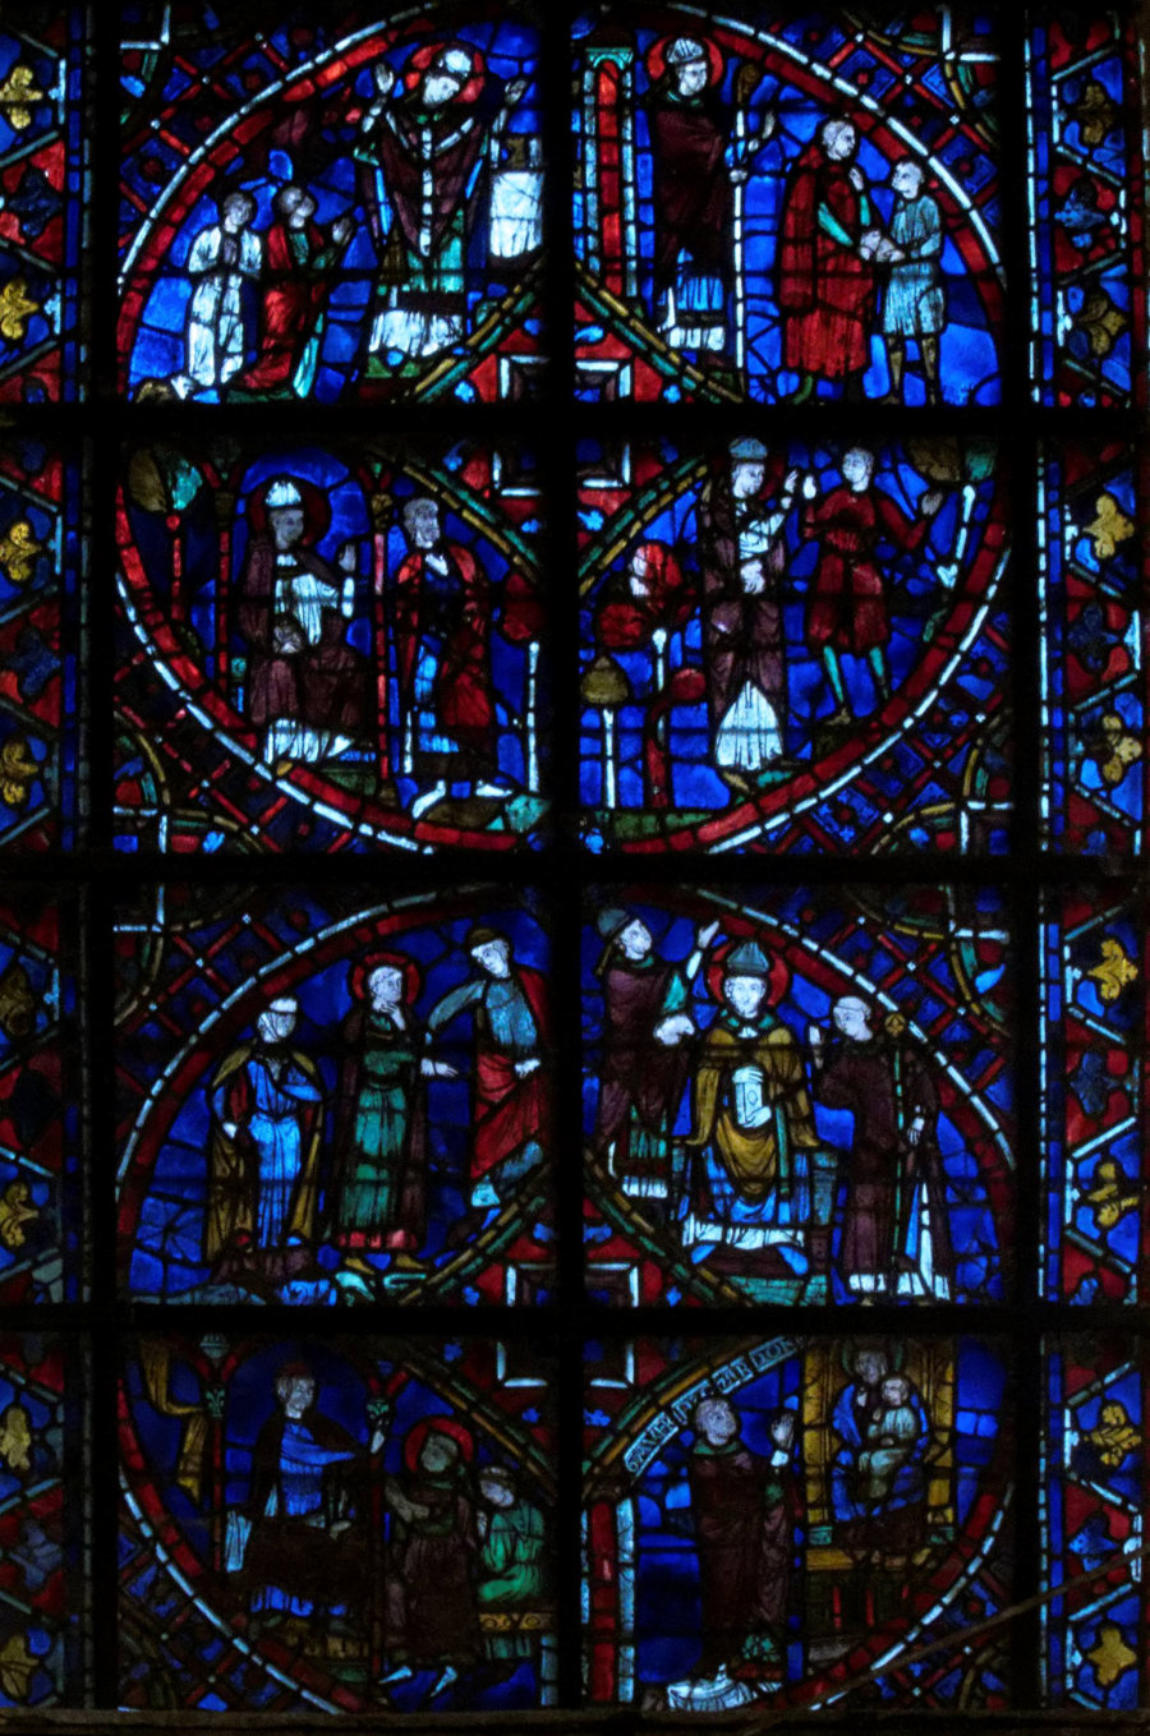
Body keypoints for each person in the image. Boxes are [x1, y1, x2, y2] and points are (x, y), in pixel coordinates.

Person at [356, 42, 528, 366]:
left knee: (447, 283)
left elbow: (488, 144)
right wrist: (381, 98)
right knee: (399, 281)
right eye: (444, 72)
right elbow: (363, 142)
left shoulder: (463, 126)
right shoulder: (395, 117)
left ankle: (441, 353)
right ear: (427, 71)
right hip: (402, 214)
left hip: (450, 221)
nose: (448, 83)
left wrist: (506, 107)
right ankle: (392, 352)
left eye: (458, 78)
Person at [681, 940, 819, 1270]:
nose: (745, 996)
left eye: (753, 988)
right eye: (738, 988)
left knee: (790, 1154)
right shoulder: (717, 1036)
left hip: (773, 1130)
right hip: (725, 1128)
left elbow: (796, 1089)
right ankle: (720, 1230)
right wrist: (725, 1090)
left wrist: (772, 1106)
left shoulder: (780, 1036)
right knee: (709, 1148)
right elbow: (703, 1088)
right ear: (726, 991)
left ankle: (780, 1236)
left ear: (765, 992)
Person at [810, 995, 953, 1300]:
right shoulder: (847, 1057)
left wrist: (918, 1121)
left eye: (847, 1016)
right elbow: (828, 1093)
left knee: (913, 1217)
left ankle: (917, 1286)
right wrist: (818, 1055)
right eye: (837, 1018)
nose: (840, 1023)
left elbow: (923, 1085)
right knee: (867, 1219)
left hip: (909, 1149)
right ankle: (870, 1289)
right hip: (871, 1150)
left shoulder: (896, 1050)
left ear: (865, 1015)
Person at [226, 1363, 384, 1635]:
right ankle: (274, 1609)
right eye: (299, 1389)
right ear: (282, 1391)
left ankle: (329, 1614)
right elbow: (313, 1455)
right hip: (282, 1508)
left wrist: (369, 1448)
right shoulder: (275, 1431)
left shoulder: (322, 1428)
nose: (305, 1396)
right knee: (282, 1552)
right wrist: (361, 1451)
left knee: (334, 1552)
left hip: (318, 1507)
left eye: (310, 1390)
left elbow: (346, 1460)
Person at [646, 37, 773, 362]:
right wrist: (743, 150)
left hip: (712, 212)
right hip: (681, 211)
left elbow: (718, 154)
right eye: (694, 73)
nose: (701, 79)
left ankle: (709, 353)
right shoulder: (664, 112)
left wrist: (745, 153)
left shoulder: (710, 108)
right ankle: (675, 351)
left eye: (704, 72)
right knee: (685, 277)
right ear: (676, 72)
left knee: (712, 279)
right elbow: (698, 156)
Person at [328, 952, 457, 1260]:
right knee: (366, 1165)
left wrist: (402, 1027)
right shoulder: (359, 1021)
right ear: (374, 988)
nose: (397, 988)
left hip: (400, 1102)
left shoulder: (407, 1019)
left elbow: (417, 1048)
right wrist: (420, 1063)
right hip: (368, 1103)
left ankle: (398, 1242)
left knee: (400, 1167)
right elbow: (368, 1058)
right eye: (391, 983)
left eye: (400, 983)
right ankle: (355, 1243)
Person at [800, 449, 943, 725]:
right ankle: (843, 708)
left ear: (869, 466)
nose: (847, 466)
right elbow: (809, 531)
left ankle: (887, 702)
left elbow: (908, 541)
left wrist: (925, 518)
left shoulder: (880, 503)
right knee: (823, 639)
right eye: (846, 461)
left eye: (855, 462)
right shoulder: (835, 498)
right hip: (829, 577)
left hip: (863, 579)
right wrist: (808, 501)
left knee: (872, 641)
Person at [237, 475, 370, 769]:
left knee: (350, 662)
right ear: (273, 522)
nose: (296, 527)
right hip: (273, 652)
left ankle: (328, 745)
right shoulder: (260, 562)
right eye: (289, 521)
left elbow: (343, 610)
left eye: (299, 520)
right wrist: (273, 636)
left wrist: (348, 574)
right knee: (280, 669)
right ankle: (280, 750)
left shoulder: (309, 565)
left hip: (313, 652)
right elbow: (249, 613)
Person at [591, 908, 718, 1205]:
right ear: (620, 943)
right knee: (624, 1123)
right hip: (625, 1067)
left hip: (659, 1065)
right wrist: (662, 1029)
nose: (644, 934)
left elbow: (679, 982)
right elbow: (628, 1023)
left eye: (642, 927)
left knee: (657, 1121)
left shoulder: (661, 970)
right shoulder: (617, 977)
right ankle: (617, 1181)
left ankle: (652, 1188)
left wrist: (700, 947)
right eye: (634, 933)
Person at [392, 495, 505, 820]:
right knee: (430, 712)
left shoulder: (463, 557)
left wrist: (473, 616)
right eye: (420, 521)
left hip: (466, 649)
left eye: (432, 519)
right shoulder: (410, 569)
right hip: (430, 650)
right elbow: (403, 614)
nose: (427, 527)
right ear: (410, 529)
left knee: (475, 709)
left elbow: (482, 591)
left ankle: (480, 778)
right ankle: (437, 784)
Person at [698, 438, 800, 791]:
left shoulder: (757, 511)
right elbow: (721, 553)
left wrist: (766, 573)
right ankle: (730, 760)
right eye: (752, 473)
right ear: (734, 471)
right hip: (730, 615)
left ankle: (768, 754)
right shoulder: (716, 513)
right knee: (732, 680)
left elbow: (775, 551)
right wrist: (738, 573)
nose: (757, 481)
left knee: (765, 677)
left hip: (760, 611)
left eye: (761, 475)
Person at [426, 926, 548, 1216]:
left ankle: (505, 1186)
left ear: (505, 947)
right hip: (498, 1077)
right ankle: (495, 1189)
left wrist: (539, 1060)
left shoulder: (534, 983)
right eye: (479, 959)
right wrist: (427, 1038)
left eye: (490, 952)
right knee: (496, 1140)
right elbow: (446, 1007)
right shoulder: (482, 990)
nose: (487, 961)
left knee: (542, 1136)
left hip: (538, 1076)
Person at [204, 994, 324, 1280]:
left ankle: (279, 1254)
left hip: (290, 1133)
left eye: (291, 1017)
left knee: (289, 1190)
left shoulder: (299, 1062)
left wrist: (288, 1085)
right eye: (280, 1016)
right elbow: (219, 1096)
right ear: (263, 1018)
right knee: (254, 1192)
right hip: (259, 1129)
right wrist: (231, 1128)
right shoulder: (242, 1059)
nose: (286, 1024)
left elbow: (316, 1095)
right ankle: (252, 1253)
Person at [684, 1396, 797, 1685]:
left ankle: (751, 1659)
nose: (727, 1416)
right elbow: (731, 1500)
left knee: (753, 1595)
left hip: (752, 1544)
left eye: (728, 1410)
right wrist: (777, 1459)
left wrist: (782, 1449)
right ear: (703, 1427)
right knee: (724, 1601)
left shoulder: (741, 1453)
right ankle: (720, 1660)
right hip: (723, 1548)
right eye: (717, 1414)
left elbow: (769, 1481)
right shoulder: (702, 1462)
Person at [777, 118, 880, 403]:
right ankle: (808, 386)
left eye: (854, 139)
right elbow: (818, 214)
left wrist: (861, 192)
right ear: (828, 140)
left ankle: (852, 385)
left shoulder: (851, 174)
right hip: (822, 261)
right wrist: (851, 245)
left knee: (853, 321)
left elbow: (865, 221)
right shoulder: (812, 174)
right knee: (815, 320)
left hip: (852, 262)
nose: (853, 145)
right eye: (847, 138)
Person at [383, 1418, 481, 1701]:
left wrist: (399, 1500)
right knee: (394, 1591)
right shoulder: (410, 1488)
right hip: (411, 1561)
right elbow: (401, 1532)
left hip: (447, 1566)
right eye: (429, 1447)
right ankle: (403, 1661)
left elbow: (464, 1535)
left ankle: (451, 1664)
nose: (432, 1454)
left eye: (442, 1450)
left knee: (444, 1600)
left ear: (454, 1461)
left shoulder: (459, 1497)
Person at [593, 541, 695, 808]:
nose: (633, 582)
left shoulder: (682, 611)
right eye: (632, 574)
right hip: (631, 706)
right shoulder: (618, 617)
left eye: (640, 577)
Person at [237, 185, 354, 396]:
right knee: (280, 353)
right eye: (299, 200)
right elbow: (302, 273)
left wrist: (336, 247)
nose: (307, 200)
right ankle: (258, 383)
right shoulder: (276, 235)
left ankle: (299, 389)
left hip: (311, 302)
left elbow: (322, 272)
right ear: (289, 209)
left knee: (308, 348)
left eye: (304, 196)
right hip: (284, 305)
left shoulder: (314, 233)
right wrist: (335, 246)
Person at [174, 190, 261, 398]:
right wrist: (218, 262)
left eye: (248, 211)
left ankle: (226, 388)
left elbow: (257, 272)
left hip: (234, 297)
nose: (243, 214)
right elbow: (193, 266)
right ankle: (199, 390)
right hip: (207, 297)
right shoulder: (207, 236)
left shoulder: (253, 241)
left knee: (233, 346)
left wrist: (237, 265)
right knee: (202, 342)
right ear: (227, 208)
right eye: (239, 208)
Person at [879, 158, 946, 406]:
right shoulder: (899, 206)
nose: (896, 178)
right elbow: (895, 240)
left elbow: (935, 242)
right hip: (899, 281)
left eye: (904, 175)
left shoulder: (928, 205)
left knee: (927, 337)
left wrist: (907, 254)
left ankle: (933, 393)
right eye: (896, 173)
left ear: (920, 180)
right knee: (892, 335)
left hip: (923, 279)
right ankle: (896, 392)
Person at [476, 1465, 548, 1676]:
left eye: (487, 1490)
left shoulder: (500, 1519)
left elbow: (496, 1564)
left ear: (502, 1488)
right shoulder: (533, 1511)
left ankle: (502, 1656)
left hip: (517, 1579)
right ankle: (523, 1652)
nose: (485, 1496)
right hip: (539, 1578)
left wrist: (482, 1534)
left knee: (480, 1594)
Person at [857, 1375, 921, 1504]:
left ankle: (878, 1495)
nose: (886, 1392)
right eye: (884, 1389)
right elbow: (871, 1435)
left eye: (892, 1389)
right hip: (882, 1449)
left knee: (878, 1460)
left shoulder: (907, 1413)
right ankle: (866, 1488)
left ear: (903, 1394)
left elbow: (912, 1434)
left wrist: (895, 1440)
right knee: (863, 1457)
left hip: (901, 1450)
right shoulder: (883, 1413)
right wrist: (875, 1421)